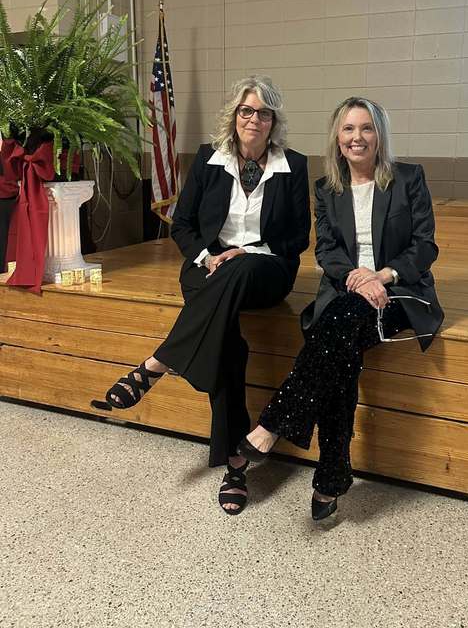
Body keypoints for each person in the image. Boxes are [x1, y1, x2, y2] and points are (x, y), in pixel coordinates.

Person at [92, 76, 310, 515]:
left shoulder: (295, 165)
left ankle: (160, 361)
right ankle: (235, 462)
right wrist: (209, 257)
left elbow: (297, 237)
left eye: (263, 113)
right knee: (227, 341)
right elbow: (185, 225)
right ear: (234, 116)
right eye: (246, 111)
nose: (254, 119)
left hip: (265, 270)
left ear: (273, 121)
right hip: (207, 270)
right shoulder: (211, 160)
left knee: (243, 264)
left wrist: (248, 253)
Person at [238, 97, 444, 520]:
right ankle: (331, 476)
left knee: (338, 325)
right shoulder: (327, 188)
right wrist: (355, 277)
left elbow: (425, 246)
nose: (357, 137)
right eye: (349, 129)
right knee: (341, 347)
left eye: (366, 128)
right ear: (337, 136)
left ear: (379, 135)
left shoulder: (408, 178)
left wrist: (381, 276)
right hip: (349, 291)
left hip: (398, 291)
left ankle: (274, 424)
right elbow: (327, 249)